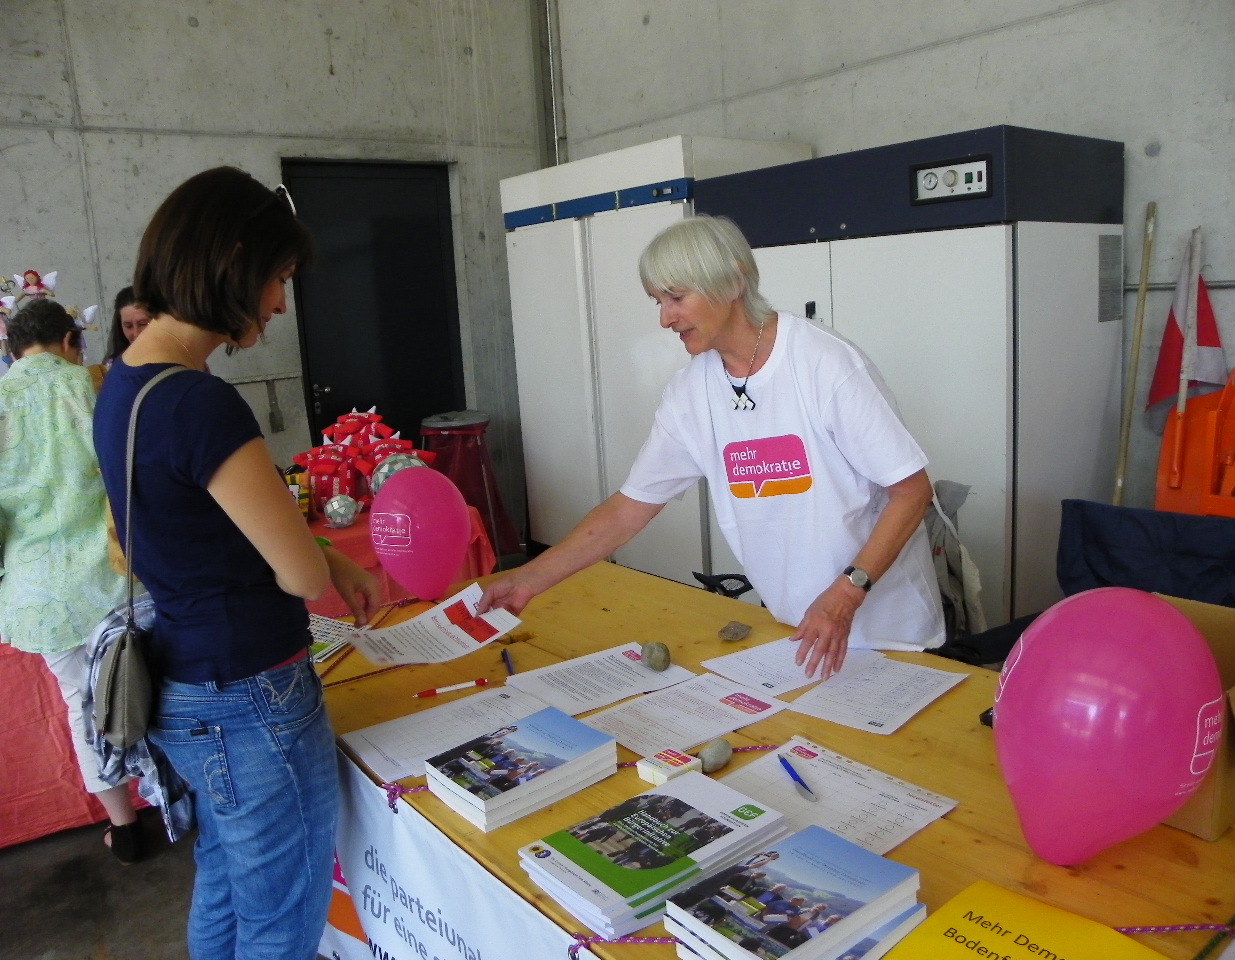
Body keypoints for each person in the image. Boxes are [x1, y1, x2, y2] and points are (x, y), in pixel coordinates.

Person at [92, 167, 382, 960]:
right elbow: (301, 578)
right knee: (281, 921)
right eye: (278, 277)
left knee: (224, 874)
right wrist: (320, 560)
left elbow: (208, 530)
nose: (280, 303)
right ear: (233, 262)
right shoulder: (199, 401)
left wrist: (322, 551)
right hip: (250, 697)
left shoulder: (126, 384)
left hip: (188, 683)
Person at [480, 215, 943, 677]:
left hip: (887, 631)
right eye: (658, 301)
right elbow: (628, 510)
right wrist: (527, 579)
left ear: (733, 281)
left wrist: (845, 594)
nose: (665, 318)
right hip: (798, 630)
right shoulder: (690, 392)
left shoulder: (824, 364)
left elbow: (911, 492)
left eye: (676, 297)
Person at [0, 299, 140, 862]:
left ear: (13, 349)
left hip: (38, 592)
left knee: (81, 703)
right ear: (67, 341)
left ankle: (125, 829)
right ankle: (184, 803)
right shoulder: (96, 387)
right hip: (114, 577)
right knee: (150, 685)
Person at [104, 285, 151, 364]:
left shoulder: (172, 359)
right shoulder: (113, 366)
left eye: (143, 324)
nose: (136, 333)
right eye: (128, 326)